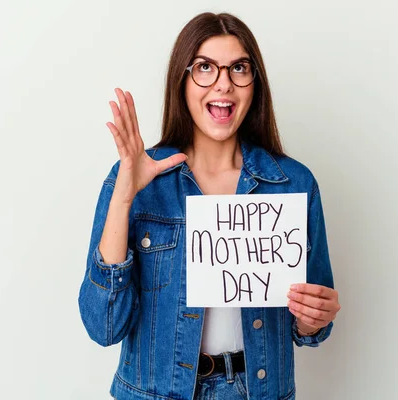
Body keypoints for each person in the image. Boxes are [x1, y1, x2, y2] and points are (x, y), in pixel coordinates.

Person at [78, 12, 341, 400]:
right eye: (205, 67)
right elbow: (104, 326)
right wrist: (124, 195)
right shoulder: (137, 182)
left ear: (255, 83)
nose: (224, 84)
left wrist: (312, 320)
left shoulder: (294, 185)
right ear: (182, 81)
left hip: (258, 391)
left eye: (238, 68)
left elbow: (311, 325)